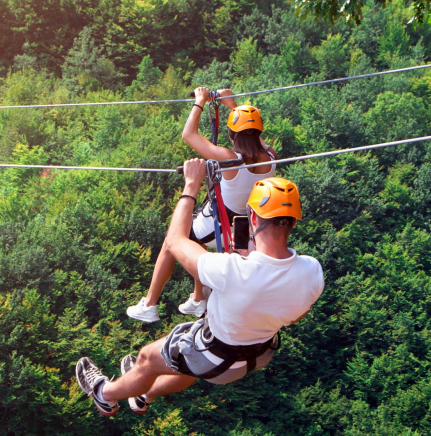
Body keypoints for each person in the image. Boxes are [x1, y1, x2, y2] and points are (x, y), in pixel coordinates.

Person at [77, 159, 324, 416]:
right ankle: (144, 395)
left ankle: (104, 395)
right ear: (294, 222)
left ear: (252, 216)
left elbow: (174, 241)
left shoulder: (231, 270)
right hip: (256, 356)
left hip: (214, 356)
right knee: (187, 364)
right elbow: (295, 316)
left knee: (146, 359)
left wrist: (191, 185)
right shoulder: (312, 272)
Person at [127, 88, 279, 323]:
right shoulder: (271, 157)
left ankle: (149, 304)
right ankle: (198, 299)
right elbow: (253, 136)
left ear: (231, 133)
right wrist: (232, 106)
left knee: (172, 240)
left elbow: (188, 135)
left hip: (219, 222)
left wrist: (199, 101)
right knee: (197, 242)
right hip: (242, 225)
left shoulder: (228, 158)